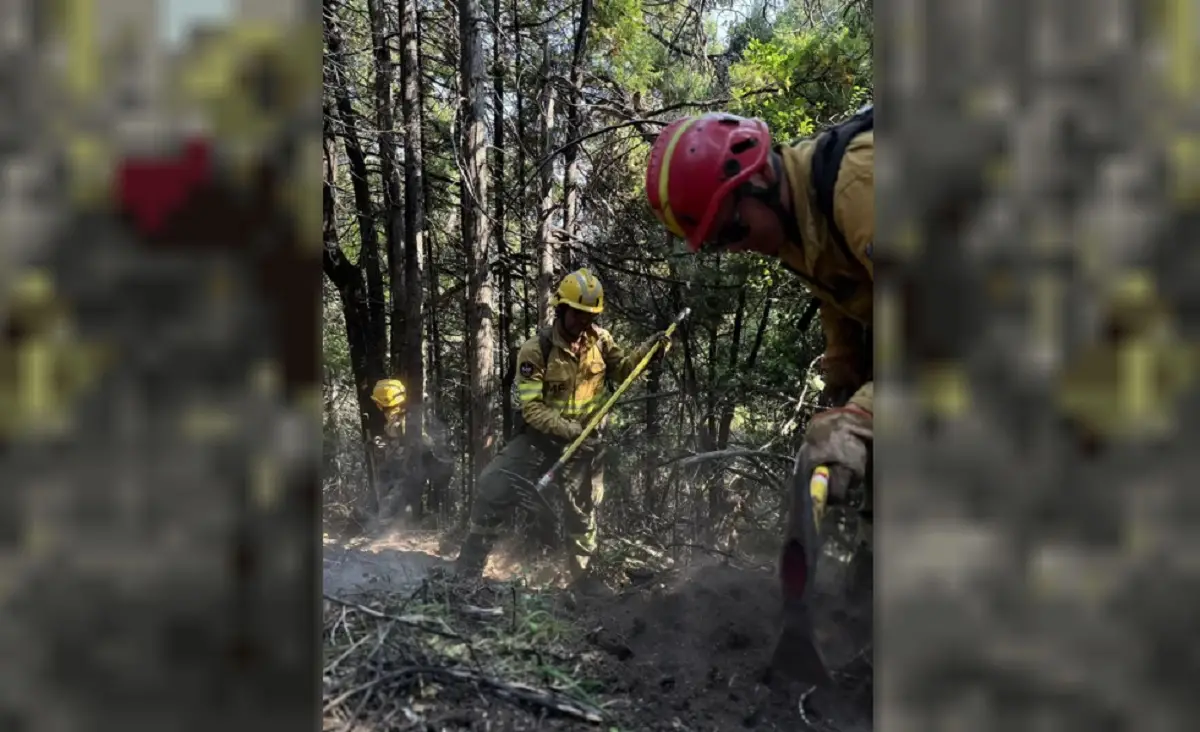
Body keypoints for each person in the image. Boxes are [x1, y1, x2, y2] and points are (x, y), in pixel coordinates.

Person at [644, 106, 874, 511]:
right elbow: (840, 287)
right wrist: (843, 365)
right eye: (718, 242)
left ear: (761, 177)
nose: (734, 247)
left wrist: (862, 415)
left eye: (731, 228)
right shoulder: (795, 227)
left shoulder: (860, 185)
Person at [454, 268, 671, 590]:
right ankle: (467, 573)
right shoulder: (535, 350)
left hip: (585, 444)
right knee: (492, 486)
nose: (583, 322)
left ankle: (584, 583)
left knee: (582, 514)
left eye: (590, 315)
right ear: (562, 309)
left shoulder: (602, 341)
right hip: (539, 439)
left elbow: (625, 370)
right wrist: (567, 431)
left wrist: (650, 351)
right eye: (577, 314)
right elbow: (533, 409)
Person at [370, 378, 454, 525]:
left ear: (382, 403)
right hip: (421, 461)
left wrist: (394, 450)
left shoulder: (403, 420)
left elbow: (420, 443)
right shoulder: (400, 416)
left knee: (398, 486)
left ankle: (395, 522)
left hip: (422, 462)